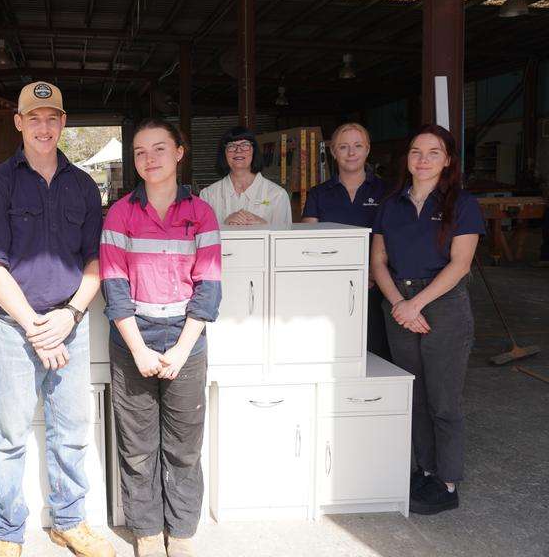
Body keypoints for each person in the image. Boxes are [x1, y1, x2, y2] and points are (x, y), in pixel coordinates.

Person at [0, 82, 114, 557]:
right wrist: (36, 327)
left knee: (71, 433)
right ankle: (7, 531)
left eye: (52, 117)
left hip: (70, 328)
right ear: (19, 123)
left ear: (63, 122)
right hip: (16, 330)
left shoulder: (83, 186)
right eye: (34, 118)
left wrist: (70, 315)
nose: (43, 127)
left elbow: (96, 261)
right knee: (11, 437)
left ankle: (69, 523)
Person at [100, 119, 221, 557]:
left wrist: (181, 350)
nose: (149, 159)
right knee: (137, 446)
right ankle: (148, 532)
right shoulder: (120, 213)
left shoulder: (201, 213)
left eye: (159, 149)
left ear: (179, 153)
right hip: (133, 336)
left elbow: (209, 287)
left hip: (185, 338)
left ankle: (182, 532)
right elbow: (114, 287)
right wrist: (138, 349)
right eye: (140, 152)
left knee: (184, 446)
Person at [369, 124, 485, 516]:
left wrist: (415, 304)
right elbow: (378, 261)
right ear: (407, 158)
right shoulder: (392, 204)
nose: (423, 160)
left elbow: (461, 264)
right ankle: (427, 469)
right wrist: (400, 304)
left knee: (443, 399)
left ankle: (448, 483)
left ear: (447, 160)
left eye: (434, 153)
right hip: (399, 303)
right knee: (414, 395)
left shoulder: (462, 203)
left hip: (443, 304)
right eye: (416, 152)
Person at [303, 122, 391, 361]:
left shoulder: (387, 192)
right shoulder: (318, 194)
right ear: (333, 152)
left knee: (377, 353)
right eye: (343, 147)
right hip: (331, 286)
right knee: (334, 351)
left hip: (377, 286)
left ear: (367, 149)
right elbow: (310, 245)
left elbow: (394, 238)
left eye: (357, 146)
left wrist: (374, 272)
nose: (351, 153)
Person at [199, 126, 292, 228]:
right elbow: (201, 234)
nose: (238, 150)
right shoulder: (208, 196)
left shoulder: (277, 195)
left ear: (254, 150)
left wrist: (264, 225)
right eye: (231, 146)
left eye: (245, 145)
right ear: (224, 153)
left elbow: (286, 235)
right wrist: (224, 225)